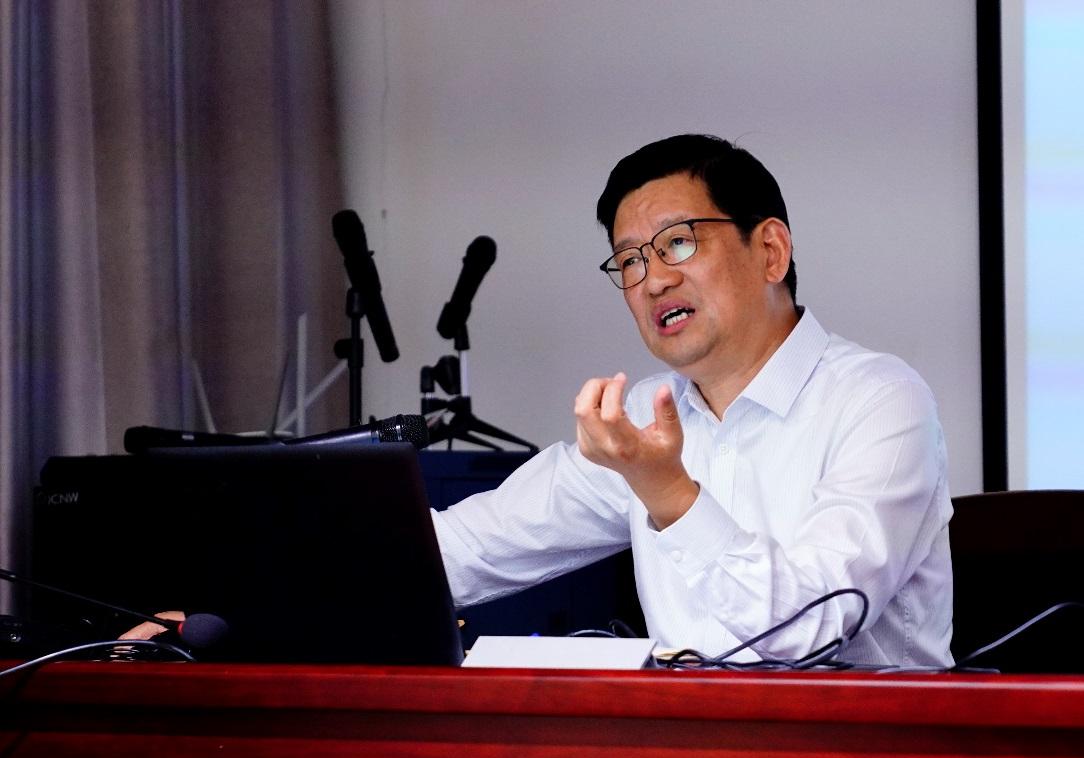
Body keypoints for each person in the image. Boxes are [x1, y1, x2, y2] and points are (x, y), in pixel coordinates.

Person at [125, 134, 953, 667]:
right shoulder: (647, 414)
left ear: (769, 248)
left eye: (677, 243)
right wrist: (227, 613)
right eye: (629, 260)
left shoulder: (880, 402)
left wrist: (668, 493)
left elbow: (810, 629)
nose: (651, 279)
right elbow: (460, 550)